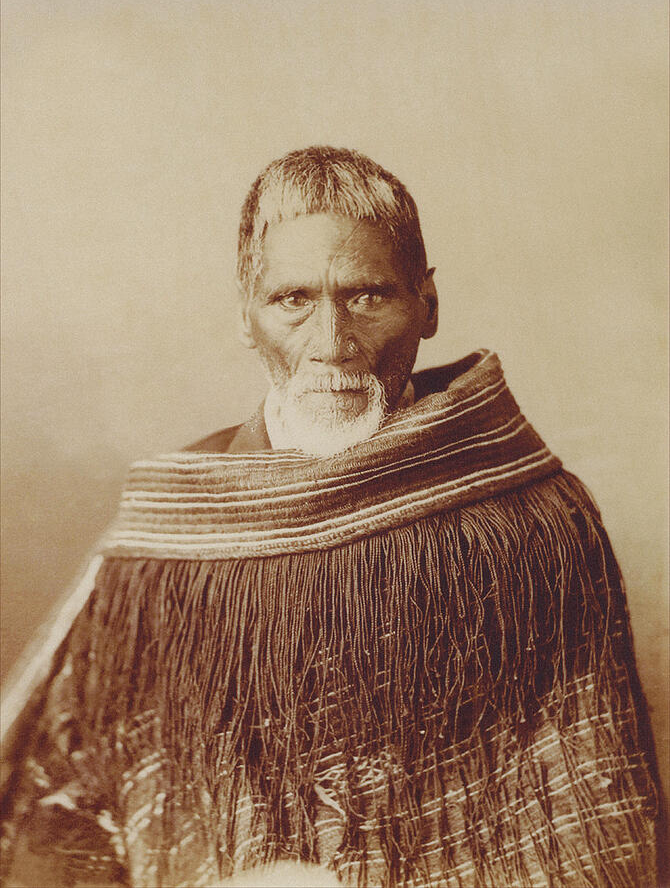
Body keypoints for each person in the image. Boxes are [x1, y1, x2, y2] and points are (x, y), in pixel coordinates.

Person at [0, 146, 662, 887]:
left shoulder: (533, 524)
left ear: (428, 306)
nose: (333, 345)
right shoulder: (173, 537)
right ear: (247, 317)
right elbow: (76, 797)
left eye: (368, 296)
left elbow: (590, 807)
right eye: (293, 301)